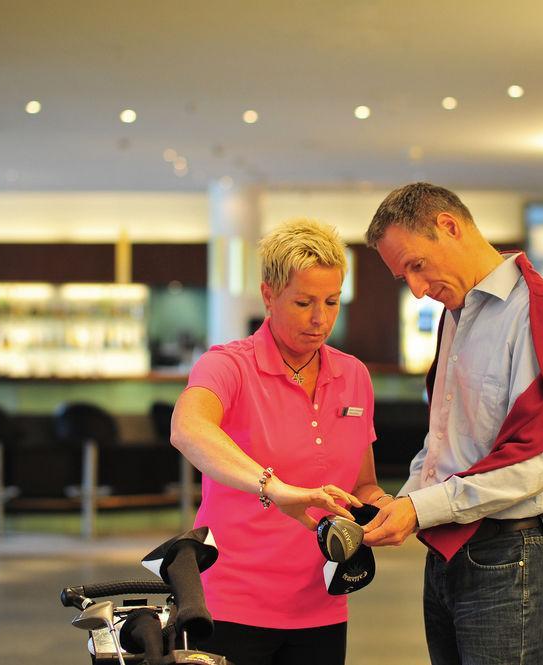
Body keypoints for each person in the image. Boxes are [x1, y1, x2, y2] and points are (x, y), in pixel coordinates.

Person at [360, 183, 543, 665]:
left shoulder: (538, 310)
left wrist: (420, 509)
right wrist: (402, 503)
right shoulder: (457, 315)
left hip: (513, 554)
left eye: (415, 264)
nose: (416, 289)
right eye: (402, 275)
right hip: (451, 551)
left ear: (448, 226)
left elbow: (535, 463)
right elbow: (445, 442)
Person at [170, 218, 392, 665]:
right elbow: (187, 428)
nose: (320, 319)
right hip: (230, 605)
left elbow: (363, 484)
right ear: (269, 294)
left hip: (322, 606)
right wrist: (274, 487)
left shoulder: (353, 375)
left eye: (332, 302)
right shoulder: (228, 366)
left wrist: (386, 510)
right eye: (304, 302)